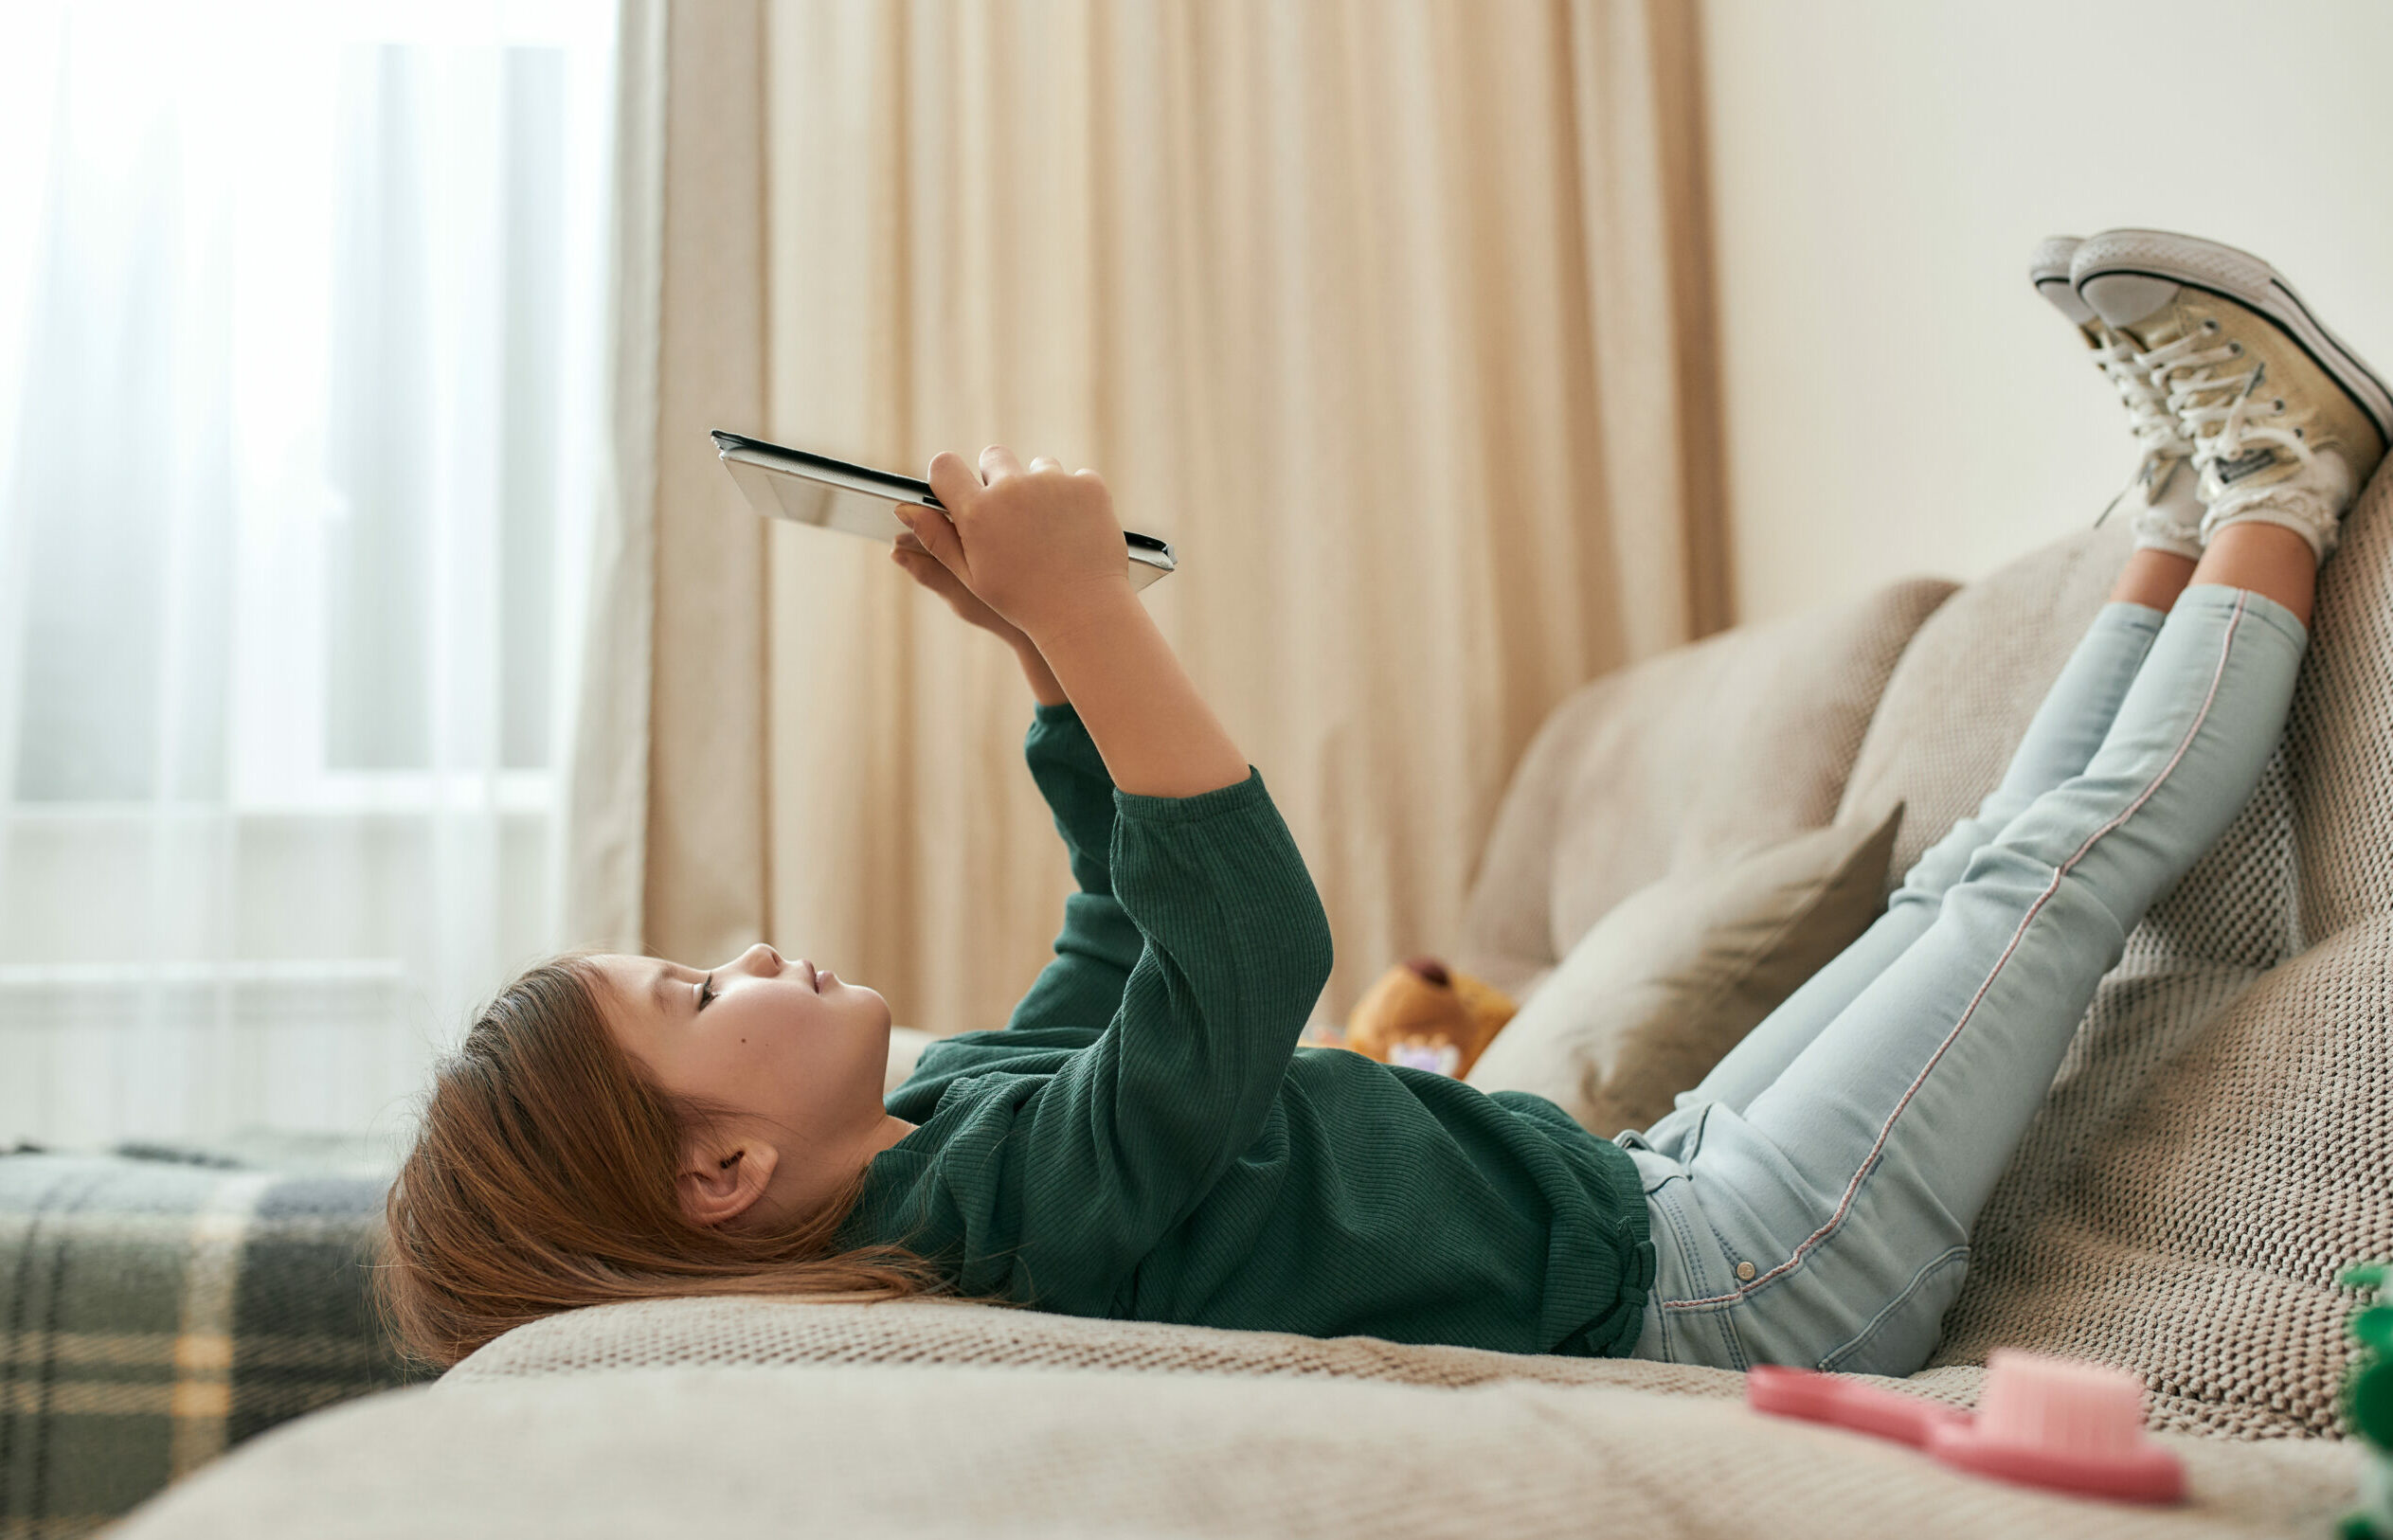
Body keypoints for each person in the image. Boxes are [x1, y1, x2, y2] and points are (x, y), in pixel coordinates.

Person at [377, 228, 2390, 1377]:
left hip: (1648, 1199)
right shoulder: (997, 1221)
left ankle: (2174, 510)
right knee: (2032, 878)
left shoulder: (949, 1118)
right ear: (724, 1171)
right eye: (695, 992)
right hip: (1735, 1289)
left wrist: (1045, 664)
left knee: (1964, 876)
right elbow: (1245, 953)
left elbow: (1124, 936)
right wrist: (1089, 610)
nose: (743, 952)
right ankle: (2288, 477)